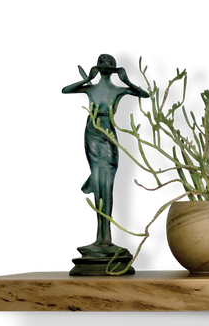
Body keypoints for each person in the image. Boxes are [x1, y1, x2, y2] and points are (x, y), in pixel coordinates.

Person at [60, 51, 149, 258]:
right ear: (97, 66)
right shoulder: (89, 87)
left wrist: (128, 82)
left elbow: (145, 96)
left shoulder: (119, 90)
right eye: (101, 61)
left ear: (114, 67)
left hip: (109, 136)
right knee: (97, 180)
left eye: (109, 62)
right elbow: (65, 91)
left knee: (107, 184)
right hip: (92, 134)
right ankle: (99, 239)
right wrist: (84, 79)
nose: (105, 64)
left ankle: (106, 239)